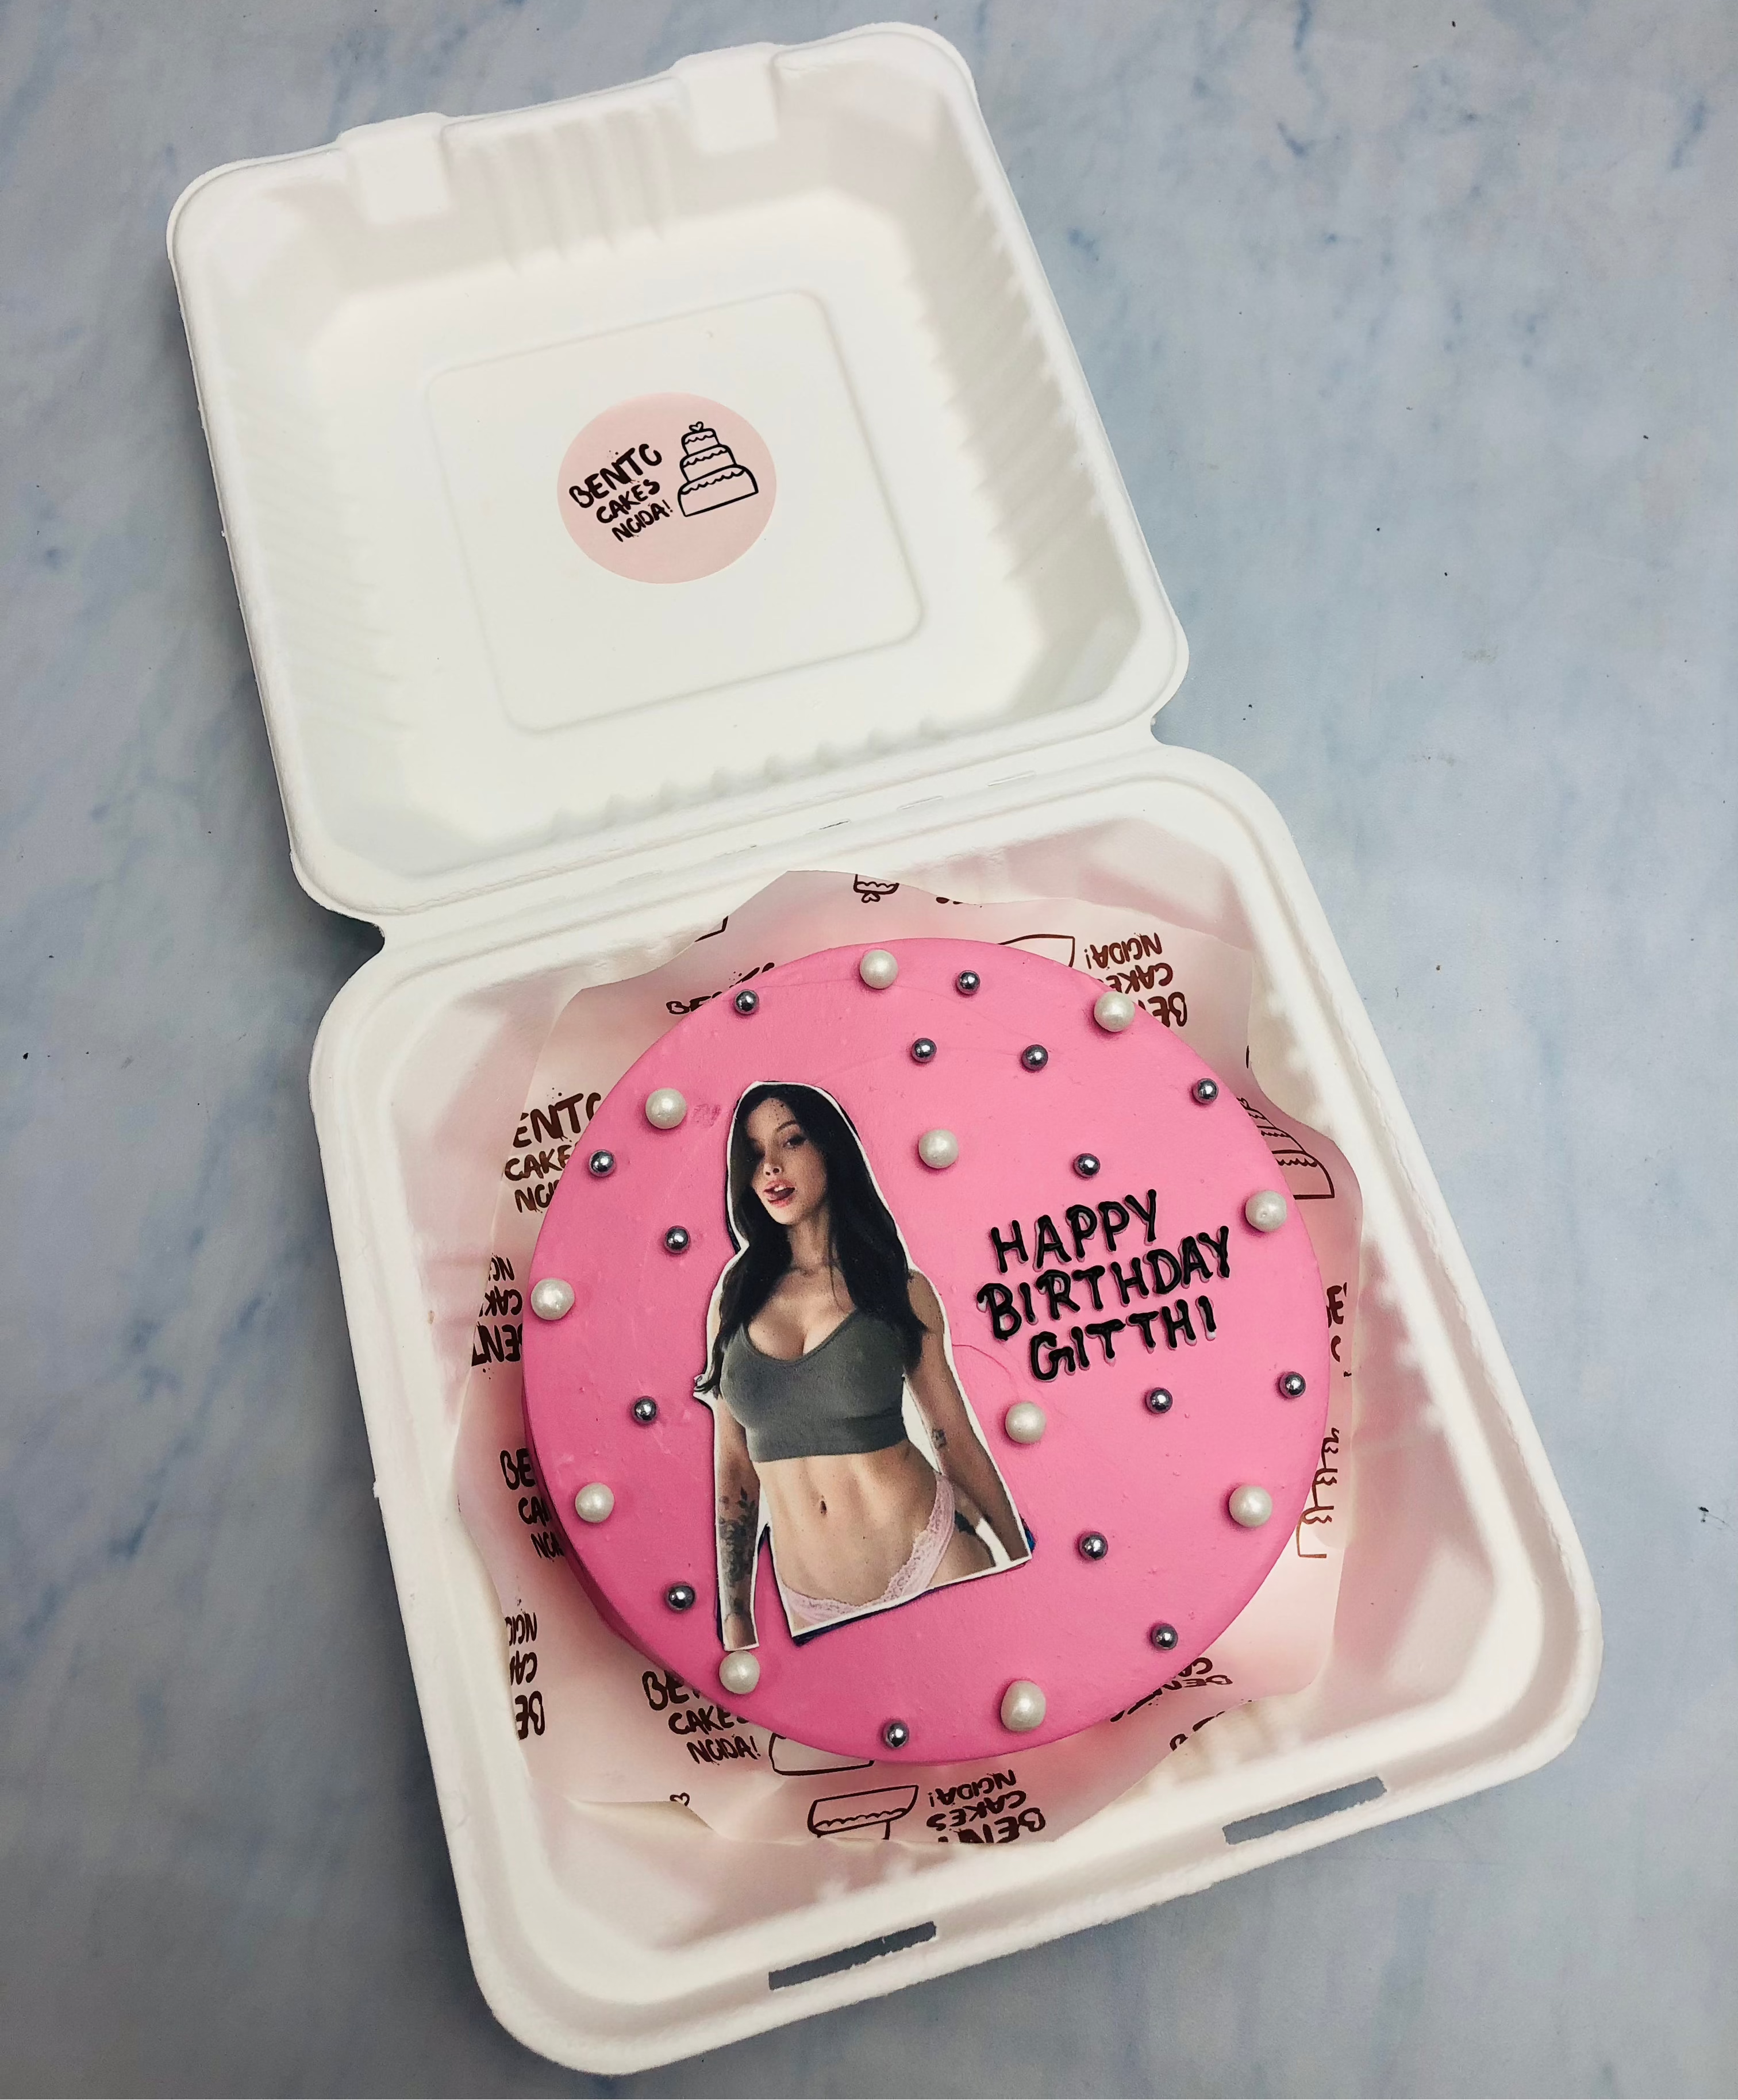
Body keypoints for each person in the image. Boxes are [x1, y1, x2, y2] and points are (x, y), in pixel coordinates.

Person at [696, 1083, 1028, 1643]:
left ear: (829, 1148)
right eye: (754, 1155)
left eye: (791, 1141)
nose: (771, 1167)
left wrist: (1025, 1563)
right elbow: (733, 1463)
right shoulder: (737, 1296)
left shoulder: (898, 1290)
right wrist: (737, 1614)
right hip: (810, 1601)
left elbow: (953, 1436)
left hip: (934, 1557)